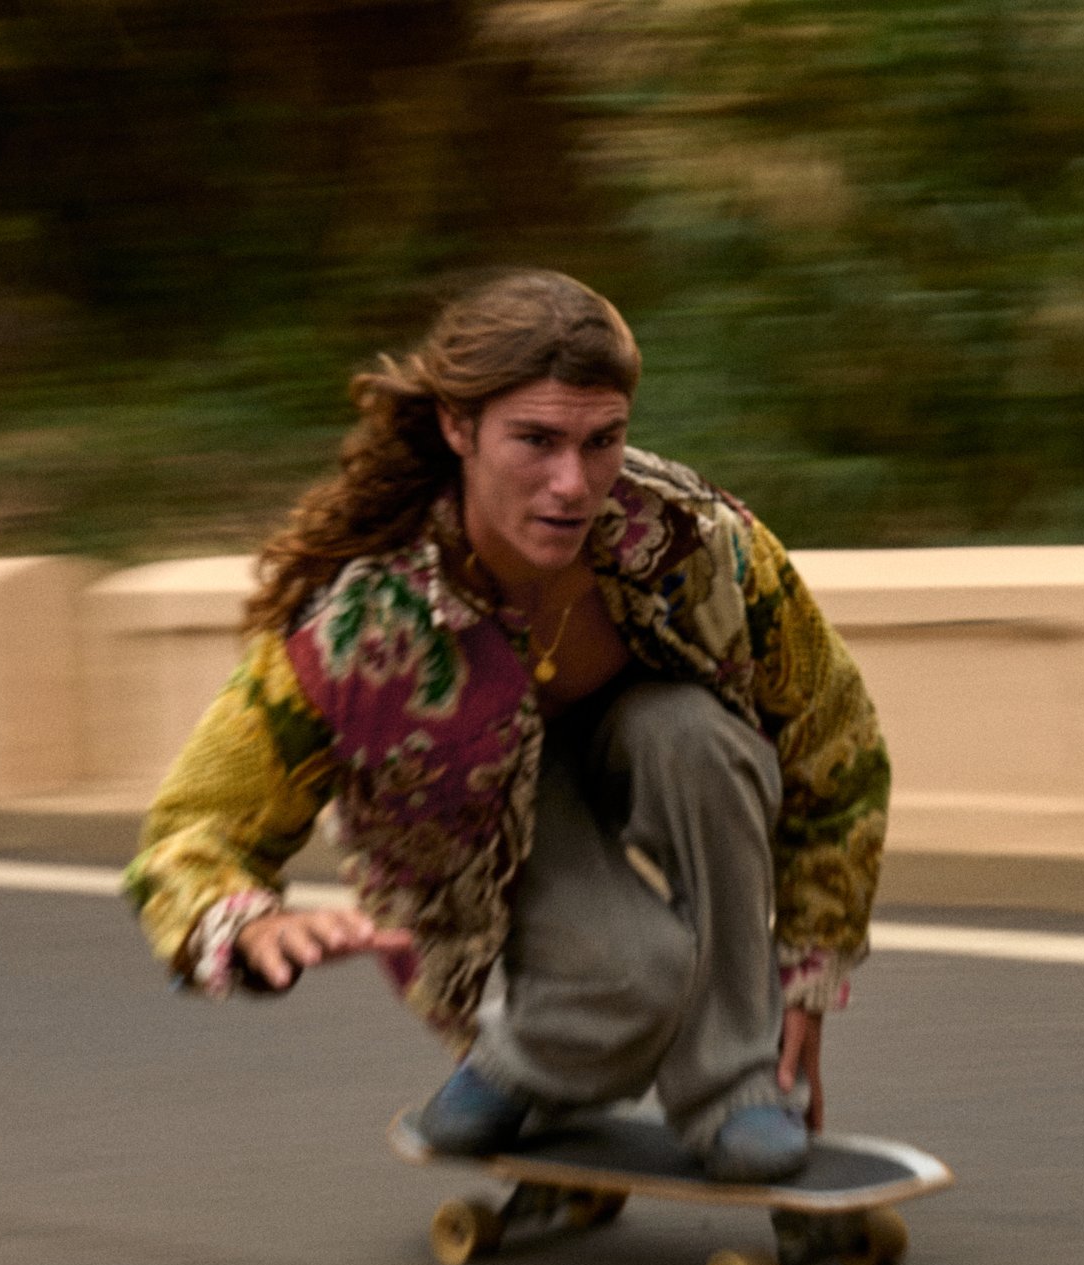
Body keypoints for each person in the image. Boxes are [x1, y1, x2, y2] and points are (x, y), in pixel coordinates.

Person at [121, 269, 889, 1183]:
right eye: (536, 440)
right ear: (460, 428)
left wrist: (808, 972)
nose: (574, 484)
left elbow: (834, 739)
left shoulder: (696, 545)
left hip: (637, 741)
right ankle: (522, 1065)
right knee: (635, 977)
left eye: (603, 441)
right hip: (475, 810)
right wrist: (242, 921)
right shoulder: (366, 621)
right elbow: (193, 826)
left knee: (700, 739)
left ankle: (733, 1084)